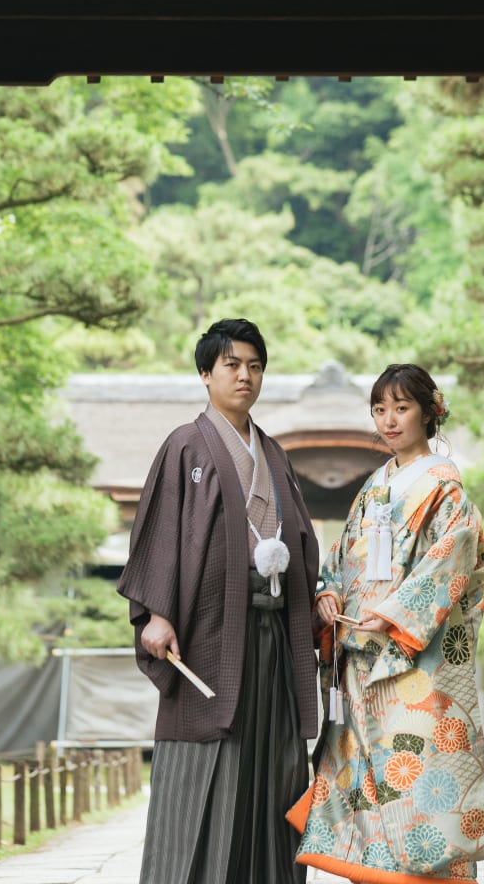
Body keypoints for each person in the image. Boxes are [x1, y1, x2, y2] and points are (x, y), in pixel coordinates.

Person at [116, 318, 320, 884]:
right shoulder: (186, 445)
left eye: (255, 366)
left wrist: (316, 605)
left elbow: (300, 541)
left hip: (274, 636)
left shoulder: (274, 453)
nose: (245, 376)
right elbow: (158, 533)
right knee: (206, 761)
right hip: (207, 638)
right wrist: (157, 613)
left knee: (274, 767)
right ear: (205, 374)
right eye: (232, 365)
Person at [289, 363, 484, 884]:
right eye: (379, 409)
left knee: (419, 773)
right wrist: (329, 592)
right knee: (368, 778)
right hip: (359, 657)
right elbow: (341, 555)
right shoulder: (373, 486)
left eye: (401, 408)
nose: (389, 420)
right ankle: (375, 875)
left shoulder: (445, 487)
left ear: (430, 412)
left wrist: (391, 616)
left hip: (412, 658)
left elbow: (451, 562)